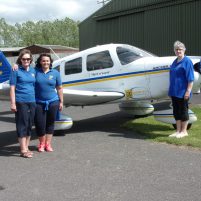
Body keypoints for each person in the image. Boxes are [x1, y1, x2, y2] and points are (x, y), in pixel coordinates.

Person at [10, 49, 36, 158]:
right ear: (20, 59)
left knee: (29, 124)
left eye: (28, 59)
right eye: (24, 59)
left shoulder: (33, 71)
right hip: (21, 101)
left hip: (32, 101)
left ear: (31, 60)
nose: (26, 60)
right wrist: (13, 103)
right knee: (22, 125)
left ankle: (27, 147)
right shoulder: (16, 70)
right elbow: (12, 88)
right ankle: (23, 150)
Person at [34, 53, 63, 152]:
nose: (45, 62)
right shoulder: (35, 72)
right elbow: (24, 69)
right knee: (40, 124)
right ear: (40, 62)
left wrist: (61, 101)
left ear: (50, 62)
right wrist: (16, 65)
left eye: (47, 60)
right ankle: (41, 144)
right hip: (38, 103)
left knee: (50, 124)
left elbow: (59, 88)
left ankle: (48, 144)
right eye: (43, 60)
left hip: (53, 102)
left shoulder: (55, 73)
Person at [168, 41, 194, 138]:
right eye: (176, 49)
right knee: (176, 112)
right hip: (174, 92)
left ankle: (184, 131)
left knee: (183, 111)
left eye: (180, 49)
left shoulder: (187, 61)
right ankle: (178, 131)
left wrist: (188, 91)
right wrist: (170, 90)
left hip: (183, 92)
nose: (178, 51)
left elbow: (190, 78)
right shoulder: (175, 61)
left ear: (184, 50)